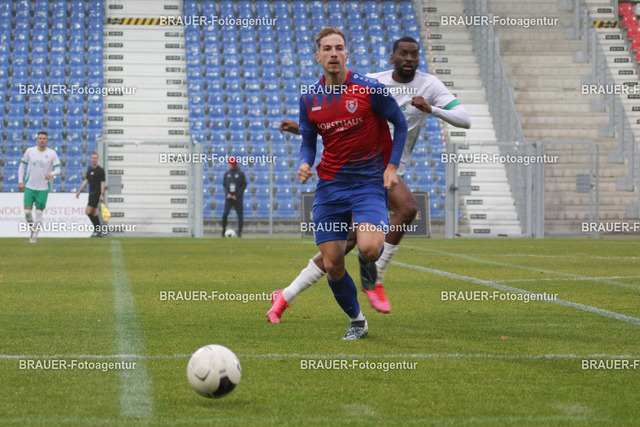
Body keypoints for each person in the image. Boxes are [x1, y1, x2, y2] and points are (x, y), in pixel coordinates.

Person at [268, 36, 471, 322]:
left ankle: (363, 279)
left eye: (414, 54)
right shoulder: (373, 82)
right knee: (350, 245)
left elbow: (464, 119)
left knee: (376, 230)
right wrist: (303, 132)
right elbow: (336, 121)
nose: (409, 59)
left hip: (383, 167)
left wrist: (431, 109)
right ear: (392, 57)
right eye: (403, 53)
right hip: (359, 171)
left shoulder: (430, 85)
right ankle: (299, 293)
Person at [283, 27, 408, 339]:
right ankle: (357, 321)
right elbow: (308, 140)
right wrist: (304, 163)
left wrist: (392, 167)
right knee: (332, 263)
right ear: (318, 56)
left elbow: (400, 123)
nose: (334, 53)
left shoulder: (370, 89)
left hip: (368, 183)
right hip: (330, 186)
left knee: (370, 248)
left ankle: (368, 268)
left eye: (339, 47)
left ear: (346, 53)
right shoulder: (309, 99)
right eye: (327, 49)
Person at [17, 131, 61, 243]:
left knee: (38, 213)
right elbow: (22, 166)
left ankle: (34, 236)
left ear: (47, 140)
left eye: (44, 138)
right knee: (27, 212)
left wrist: (51, 174)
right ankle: (33, 229)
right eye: (40, 138)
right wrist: (20, 181)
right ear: (37, 140)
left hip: (43, 188)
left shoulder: (51, 153)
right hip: (29, 186)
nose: (42, 140)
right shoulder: (30, 151)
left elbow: (58, 169)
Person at [76, 152, 106, 237]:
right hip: (91, 193)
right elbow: (86, 180)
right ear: (90, 159)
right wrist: (79, 191)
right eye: (92, 158)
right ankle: (98, 231)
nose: (94, 159)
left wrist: (102, 194)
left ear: (98, 159)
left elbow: (102, 183)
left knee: (87, 211)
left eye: (95, 158)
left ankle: (97, 230)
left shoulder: (100, 170)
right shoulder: (89, 169)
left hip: (96, 194)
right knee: (94, 213)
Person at [221, 156, 247, 237]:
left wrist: (237, 195)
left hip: (237, 199)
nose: (228, 165)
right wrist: (227, 194)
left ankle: (239, 232)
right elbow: (224, 185)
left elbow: (244, 186)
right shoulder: (227, 174)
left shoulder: (240, 174)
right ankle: (223, 230)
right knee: (225, 213)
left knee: (240, 215)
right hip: (229, 198)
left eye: (229, 163)